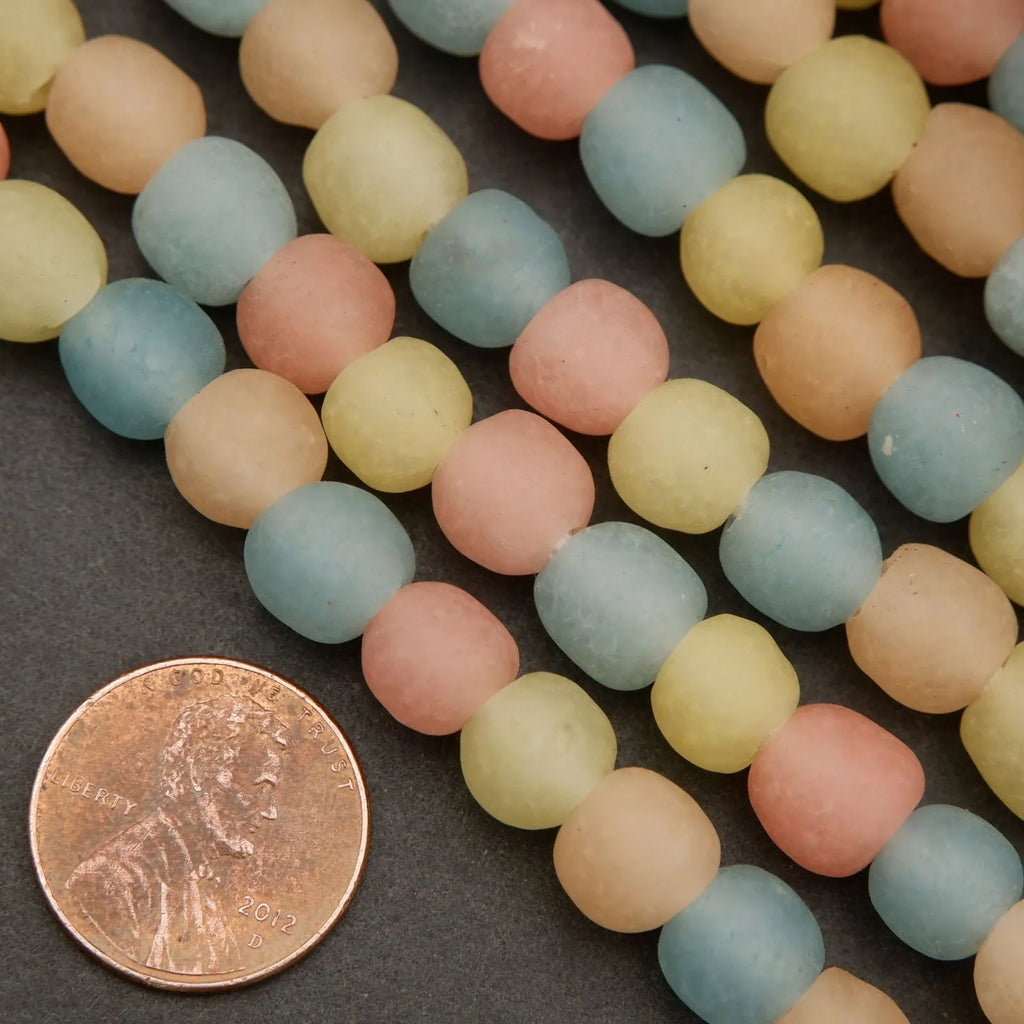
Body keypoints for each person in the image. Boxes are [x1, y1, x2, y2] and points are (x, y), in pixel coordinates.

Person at [65, 693, 287, 975]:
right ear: (198, 770)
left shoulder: (199, 881)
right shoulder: (108, 880)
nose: (269, 811)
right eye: (259, 788)